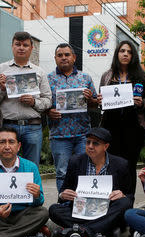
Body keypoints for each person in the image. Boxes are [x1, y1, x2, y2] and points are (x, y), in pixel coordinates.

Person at [48, 128, 133, 237]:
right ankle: (104, 229)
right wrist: (63, 195)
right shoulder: (75, 161)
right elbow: (64, 191)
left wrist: (122, 195)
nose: (90, 146)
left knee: (124, 203)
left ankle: (83, 231)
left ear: (106, 146)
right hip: (81, 210)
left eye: (95, 143)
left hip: (107, 210)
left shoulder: (120, 164)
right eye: (88, 142)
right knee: (54, 209)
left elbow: (130, 198)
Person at [97, 41, 145, 197]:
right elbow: (100, 101)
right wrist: (100, 100)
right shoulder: (107, 75)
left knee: (129, 166)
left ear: (133, 56)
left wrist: (142, 103)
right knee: (111, 165)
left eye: (129, 51)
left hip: (133, 127)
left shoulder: (141, 76)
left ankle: (128, 202)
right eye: (122, 51)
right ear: (117, 54)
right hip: (110, 126)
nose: (125, 54)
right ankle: (111, 203)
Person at [0, 31, 52, 166]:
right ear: (12, 46)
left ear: (31, 48)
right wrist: (2, 89)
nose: (21, 48)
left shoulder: (39, 72)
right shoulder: (1, 69)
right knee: (5, 166)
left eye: (25, 45)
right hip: (7, 126)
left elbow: (48, 100)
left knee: (31, 166)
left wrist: (34, 102)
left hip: (33, 126)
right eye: (17, 44)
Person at [47, 43, 97, 192]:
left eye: (67, 55)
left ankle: (83, 203)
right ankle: (64, 205)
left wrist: (91, 99)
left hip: (82, 134)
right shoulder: (47, 79)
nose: (63, 58)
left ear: (74, 58)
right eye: (60, 55)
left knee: (85, 170)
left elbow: (95, 105)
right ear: (55, 58)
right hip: (59, 135)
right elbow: (41, 104)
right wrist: (48, 111)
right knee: (62, 172)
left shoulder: (85, 78)